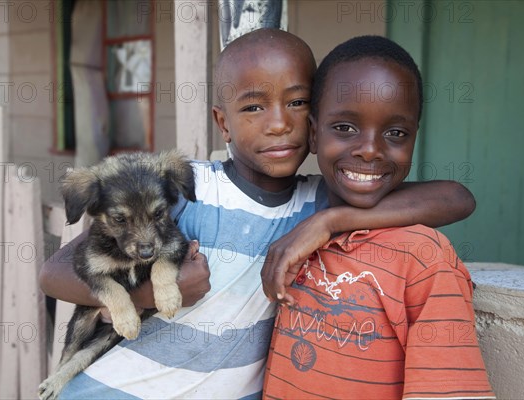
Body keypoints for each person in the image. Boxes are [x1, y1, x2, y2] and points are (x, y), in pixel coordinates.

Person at [39, 29, 477, 399]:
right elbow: (54, 273)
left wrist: (329, 222)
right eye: (253, 107)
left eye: (297, 102)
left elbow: (456, 198)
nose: (278, 123)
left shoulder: (321, 200)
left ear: (315, 121)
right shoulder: (188, 188)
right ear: (223, 123)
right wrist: (149, 296)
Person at [262, 35, 495, 399]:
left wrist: (329, 222)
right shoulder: (294, 207)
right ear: (312, 132)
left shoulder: (423, 257)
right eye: (345, 128)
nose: (370, 150)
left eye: (396, 133)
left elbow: (459, 197)